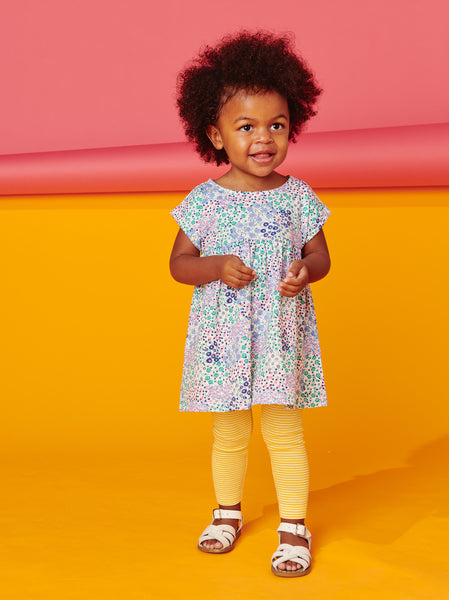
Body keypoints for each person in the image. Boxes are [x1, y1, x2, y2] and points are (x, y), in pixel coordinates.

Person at [169, 31, 330, 578]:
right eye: (246, 127)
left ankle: (294, 526)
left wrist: (306, 272)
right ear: (215, 134)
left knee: (284, 428)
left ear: (291, 126)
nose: (263, 138)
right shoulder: (205, 200)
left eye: (276, 125)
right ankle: (227, 512)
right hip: (225, 343)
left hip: (280, 334)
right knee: (230, 430)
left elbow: (321, 256)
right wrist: (215, 267)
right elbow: (179, 265)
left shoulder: (297, 195)